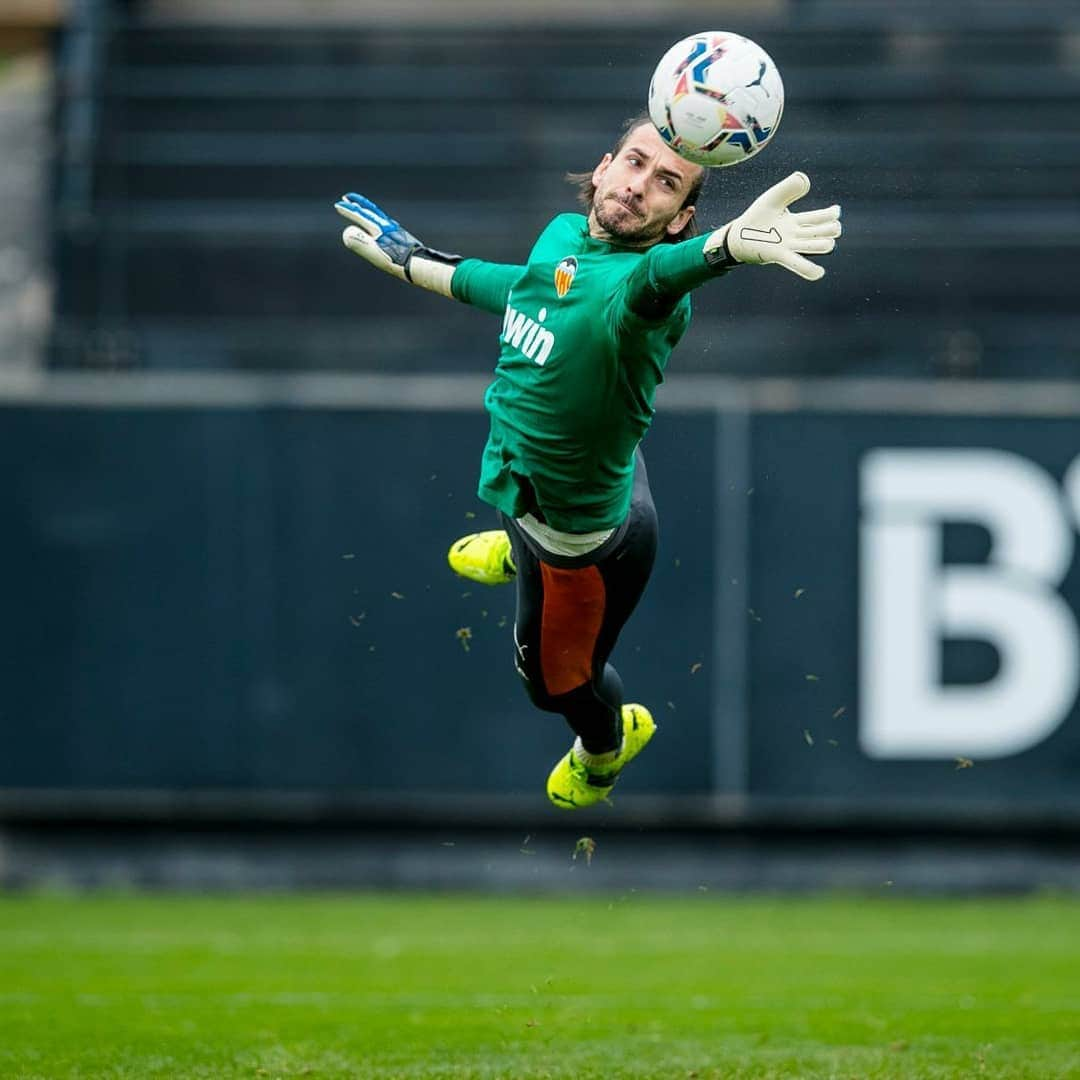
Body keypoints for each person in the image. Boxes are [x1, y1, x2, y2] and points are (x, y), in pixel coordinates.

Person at [335, 114, 841, 810]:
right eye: (635, 163)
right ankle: (517, 544)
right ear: (603, 166)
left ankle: (606, 749)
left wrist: (723, 247)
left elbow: (656, 283)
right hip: (587, 475)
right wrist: (414, 258)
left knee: (556, 688)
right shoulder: (562, 237)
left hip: (588, 549)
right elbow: (521, 288)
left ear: (678, 219)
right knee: (540, 467)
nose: (639, 186)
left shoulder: (648, 297)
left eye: (666, 184)